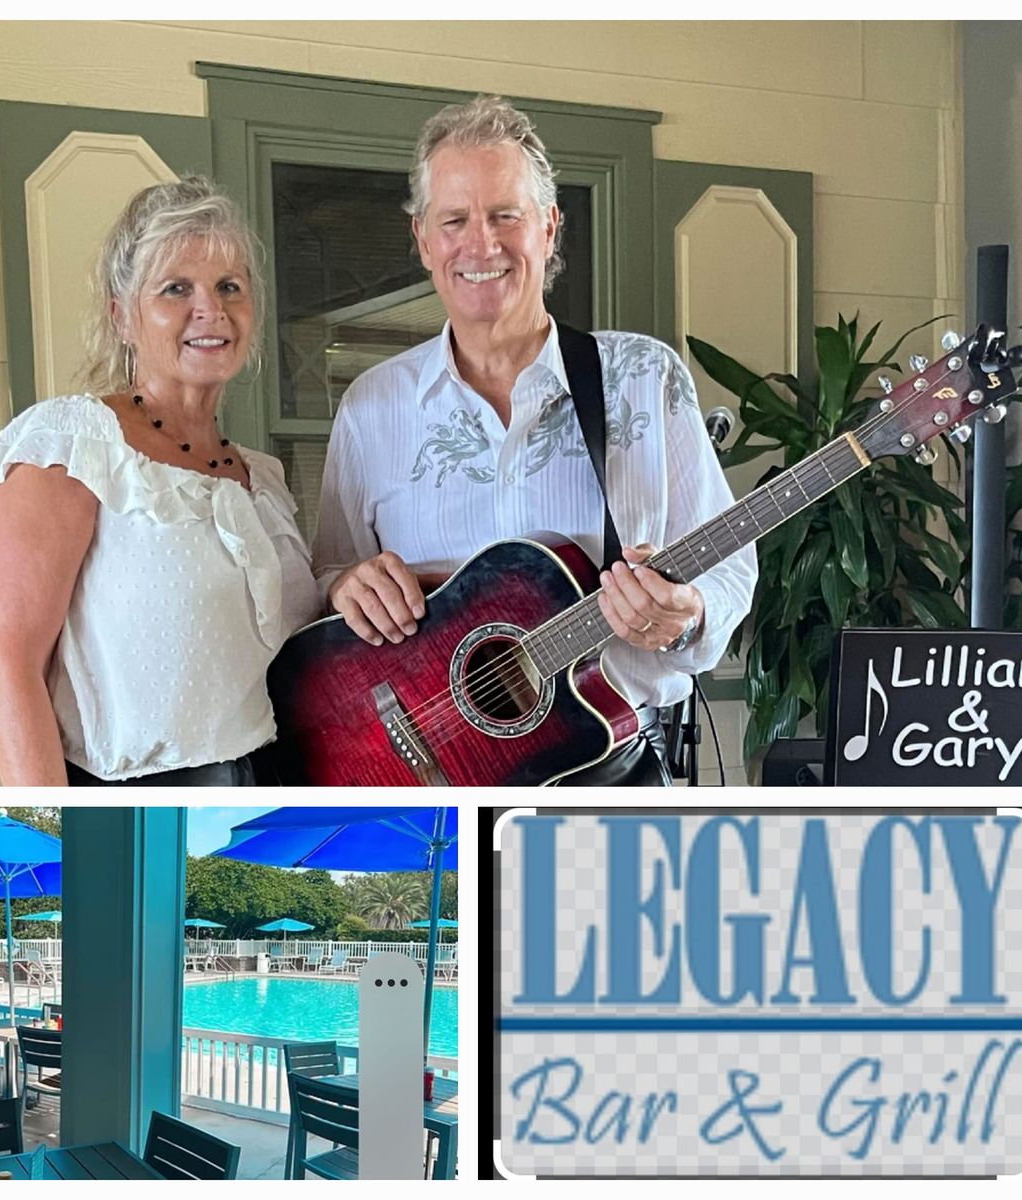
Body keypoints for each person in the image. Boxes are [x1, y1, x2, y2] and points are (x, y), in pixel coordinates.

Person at [312, 96, 757, 785]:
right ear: (424, 240)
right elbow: (329, 578)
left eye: (505, 216)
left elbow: (729, 567)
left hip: (610, 773)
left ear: (549, 228)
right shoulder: (373, 407)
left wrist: (686, 613)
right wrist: (346, 584)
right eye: (454, 220)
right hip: (433, 781)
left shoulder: (641, 377)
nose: (480, 245)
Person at [0, 177, 319, 785]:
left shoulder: (262, 480)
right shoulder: (75, 442)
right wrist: (66, 843)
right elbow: (5, 666)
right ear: (122, 314)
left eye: (229, 287)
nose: (210, 309)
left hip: (273, 779)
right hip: (133, 795)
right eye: (176, 288)